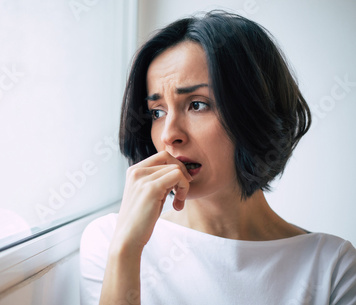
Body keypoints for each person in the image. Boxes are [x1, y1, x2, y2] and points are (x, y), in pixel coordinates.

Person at [79, 10, 356, 305]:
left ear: (255, 112)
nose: (169, 134)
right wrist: (126, 251)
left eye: (197, 105)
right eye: (157, 112)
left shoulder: (332, 268)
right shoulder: (111, 241)